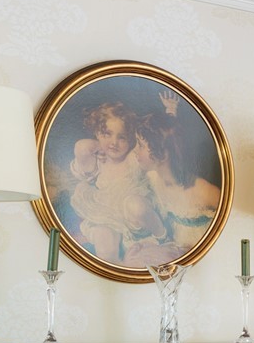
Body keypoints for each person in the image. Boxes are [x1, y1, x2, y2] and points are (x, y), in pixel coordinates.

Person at [69, 102, 165, 263]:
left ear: (131, 139)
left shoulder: (132, 158)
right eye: (107, 134)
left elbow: (160, 139)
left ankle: (162, 236)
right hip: (105, 215)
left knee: (137, 206)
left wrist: (170, 112)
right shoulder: (98, 161)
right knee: (105, 246)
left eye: (122, 137)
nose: (114, 142)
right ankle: (113, 274)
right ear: (97, 134)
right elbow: (81, 147)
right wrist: (99, 145)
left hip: (133, 219)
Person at [128, 110, 221, 256]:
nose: (134, 150)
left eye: (140, 145)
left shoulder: (203, 191)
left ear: (163, 154)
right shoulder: (152, 178)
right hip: (172, 251)